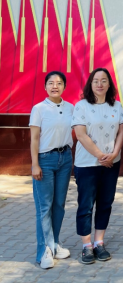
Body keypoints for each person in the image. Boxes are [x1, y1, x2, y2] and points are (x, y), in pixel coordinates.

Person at [72, 68, 123, 265]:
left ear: (109, 84)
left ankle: (99, 243)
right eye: (96, 81)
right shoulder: (81, 106)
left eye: (104, 80)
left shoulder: (117, 106)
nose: (100, 84)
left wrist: (114, 153)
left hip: (111, 164)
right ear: (90, 84)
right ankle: (86, 245)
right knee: (86, 205)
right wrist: (101, 156)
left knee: (105, 204)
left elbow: (122, 132)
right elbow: (81, 134)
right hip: (87, 164)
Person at [30, 71, 74, 269]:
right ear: (45, 87)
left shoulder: (71, 108)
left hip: (65, 158)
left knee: (59, 205)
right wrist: (35, 164)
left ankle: (54, 243)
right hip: (45, 160)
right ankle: (44, 251)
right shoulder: (39, 109)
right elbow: (34, 139)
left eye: (59, 83)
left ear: (64, 86)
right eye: (50, 83)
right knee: (44, 207)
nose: (55, 86)